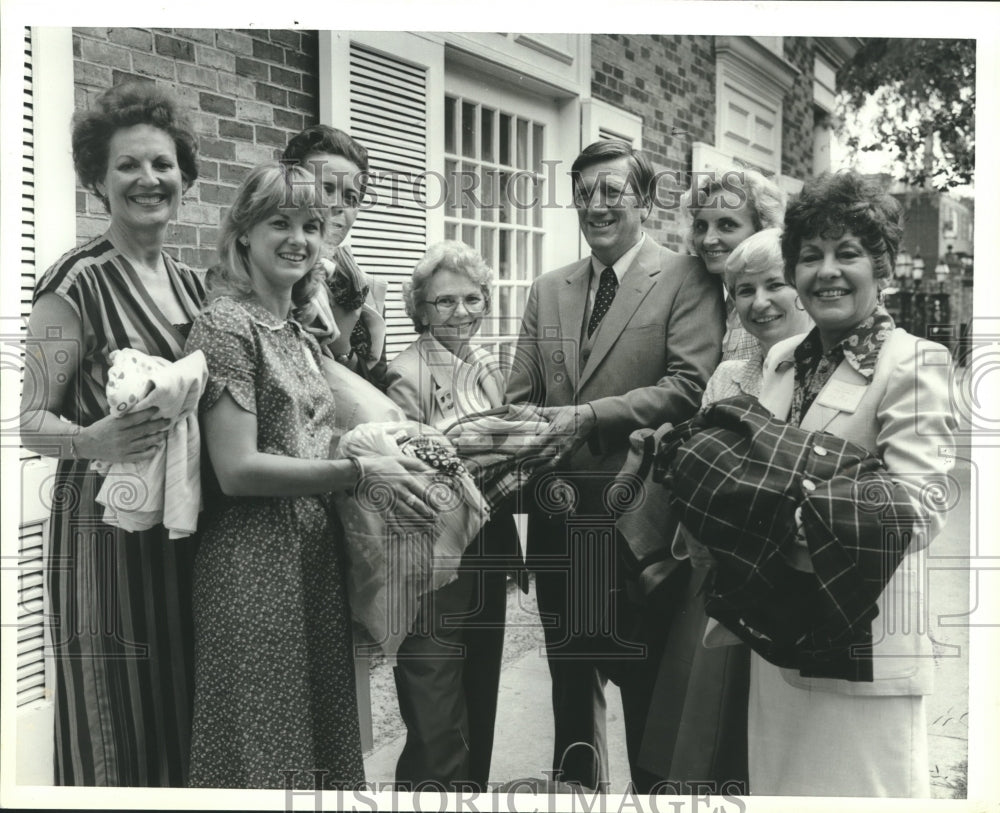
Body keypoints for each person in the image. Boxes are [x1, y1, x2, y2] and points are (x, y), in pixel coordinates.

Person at [184, 163, 434, 789]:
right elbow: (236, 469)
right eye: (280, 222)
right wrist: (355, 470)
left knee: (318, 734)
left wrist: (374, 442)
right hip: (251, 562)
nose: (298, 237)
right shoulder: (225, 325)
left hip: (312, 555)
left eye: (312, 225)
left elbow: (306, 434)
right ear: (243, 234)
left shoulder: (295, 332)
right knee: (263, 747)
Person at [505, 140, 724, 791]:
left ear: (644, 198)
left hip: (642, 530)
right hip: (558, 529)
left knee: (649, 697)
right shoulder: (548, 289)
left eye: (612, 190)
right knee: (571, 700)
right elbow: (522, 399)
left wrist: (589, 416)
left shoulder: (685, 277)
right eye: (584, 191)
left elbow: (690, 384)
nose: (596, 204)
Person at [19, 82, 203, 787]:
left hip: (182, 532)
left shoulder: (195, 285)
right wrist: (95, 440)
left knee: (180, 713)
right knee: (115, 720)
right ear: (98, 179)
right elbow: (30, 418)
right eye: (127, 165)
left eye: (161, 163)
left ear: (184, 175)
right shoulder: (75, 281)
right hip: (104, 542)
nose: (148, 179)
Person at [750, 170, 956, 796]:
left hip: (860, 640)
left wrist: (793, 516)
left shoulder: (913, 362)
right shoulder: (783, 359)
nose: (827, 271)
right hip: (777, 633)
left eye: (848, 253)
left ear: (883, 265)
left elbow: (921, 504)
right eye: (810, 256)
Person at [631, 227, 813, 792]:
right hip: (717, 577)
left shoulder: (826, 374)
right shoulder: (731, 376)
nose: (759, 303)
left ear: (803, 288)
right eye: (743, 290)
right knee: (712, 741)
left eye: (775, 285)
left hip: (795, 582)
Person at [384, 240, 525, 791]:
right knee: (436, 700)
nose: (461, 313)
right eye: (444, 302)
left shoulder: (485, 366)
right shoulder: (405, 374)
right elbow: (413, 470)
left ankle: (472, 793)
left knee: (479, 686)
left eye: (472, 299)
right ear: (420, 309)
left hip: (486, 543)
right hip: (434, 555)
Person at [282, 124, 389, 390]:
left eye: (351, 197)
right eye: (326, 188)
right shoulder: (266, 273)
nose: (338, 205)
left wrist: (344, 351)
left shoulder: (364, 288)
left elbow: (379, 384)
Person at [683, 166, 786, 362]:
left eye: (727, 225)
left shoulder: (776, 299)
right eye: (701, 227)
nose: (708, 240)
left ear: (762, 227)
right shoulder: (716, 297)